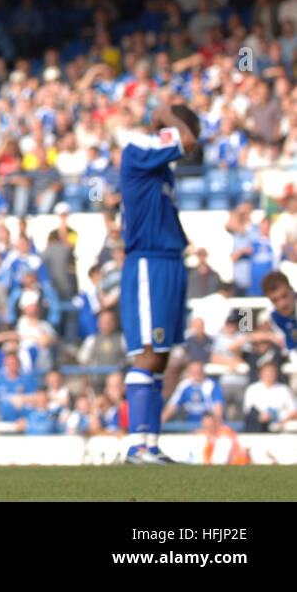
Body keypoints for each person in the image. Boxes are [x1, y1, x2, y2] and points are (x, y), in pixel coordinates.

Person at [117, 101, 201, 464]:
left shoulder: (161, 169)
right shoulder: (139, 146)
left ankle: (149, 444)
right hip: (149, 261)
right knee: (149, 355)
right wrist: (166, 112)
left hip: (168, 261)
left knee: (163, 358)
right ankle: (136, 445)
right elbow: (188, 141)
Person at [242, 361, 296, 433]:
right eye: (267, 372)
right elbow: (248, 411)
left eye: (272, 372)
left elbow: (293, 410)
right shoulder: (252, 389)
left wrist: (283, 420)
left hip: (280, 426)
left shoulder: (284, 389)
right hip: (258, 426)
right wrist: (262, 417)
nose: (270, 374)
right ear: (260, 374)